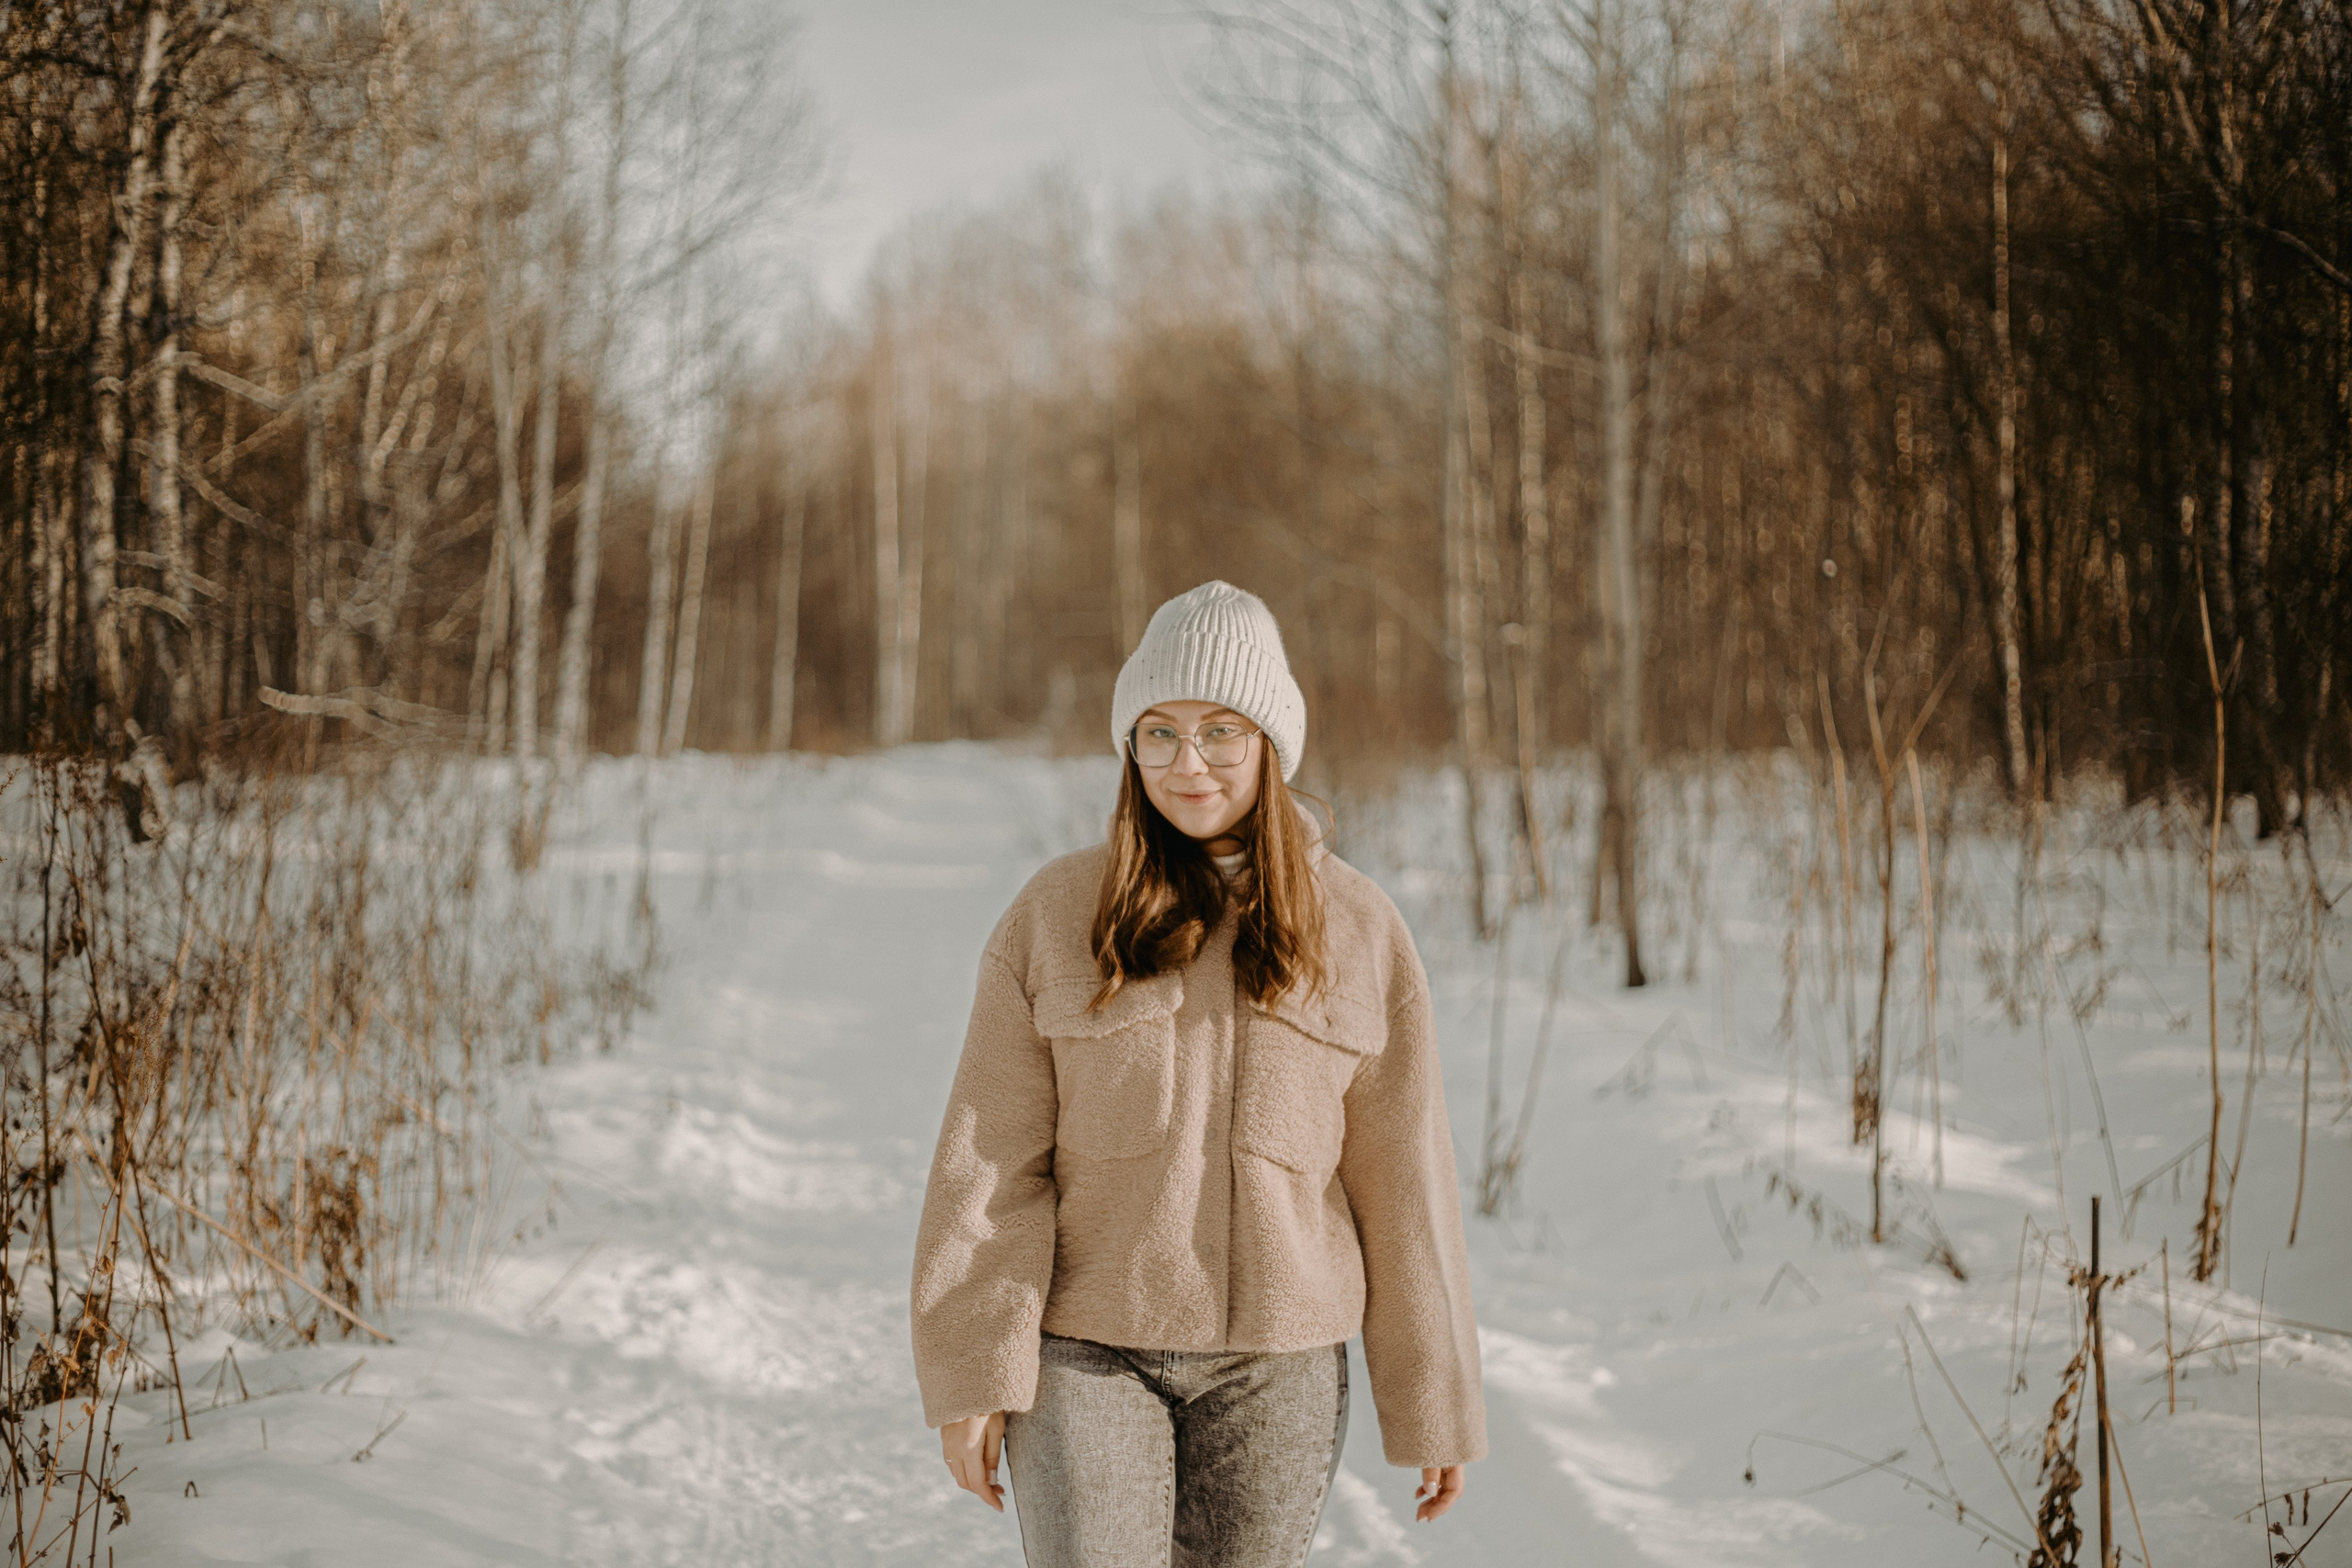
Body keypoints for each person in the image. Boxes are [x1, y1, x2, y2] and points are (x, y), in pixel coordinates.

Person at [910, 581, 1485, 1567]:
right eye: (1159, 733)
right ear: (1128, 749)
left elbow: (1402, 1178)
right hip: (1086, 1351)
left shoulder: (1358, 927)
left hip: (1279, 1369)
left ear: (1270, 741)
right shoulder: (1056, 915)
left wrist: (1432, 1398)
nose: (1189, 763)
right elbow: (991, 1162)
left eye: (1221, 730)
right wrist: (972, 1372)